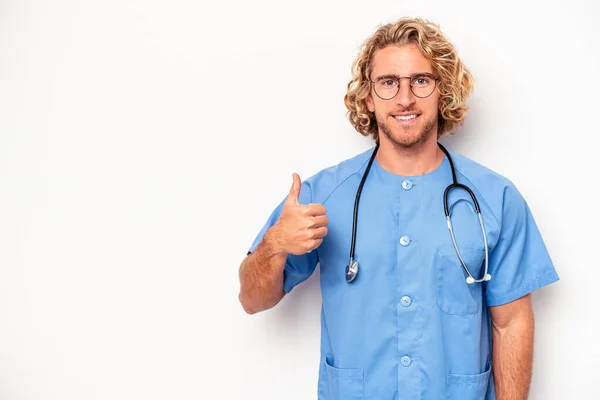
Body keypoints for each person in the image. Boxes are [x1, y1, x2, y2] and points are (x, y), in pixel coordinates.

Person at [238, 16, 559, 400]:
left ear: (444, 91)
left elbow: (511, 324)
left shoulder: (495, 199)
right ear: (369, 98)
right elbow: (252, 299)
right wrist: (274, 244)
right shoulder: (322, 195)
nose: (405, 98)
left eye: (421, 81)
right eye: (389, 83)